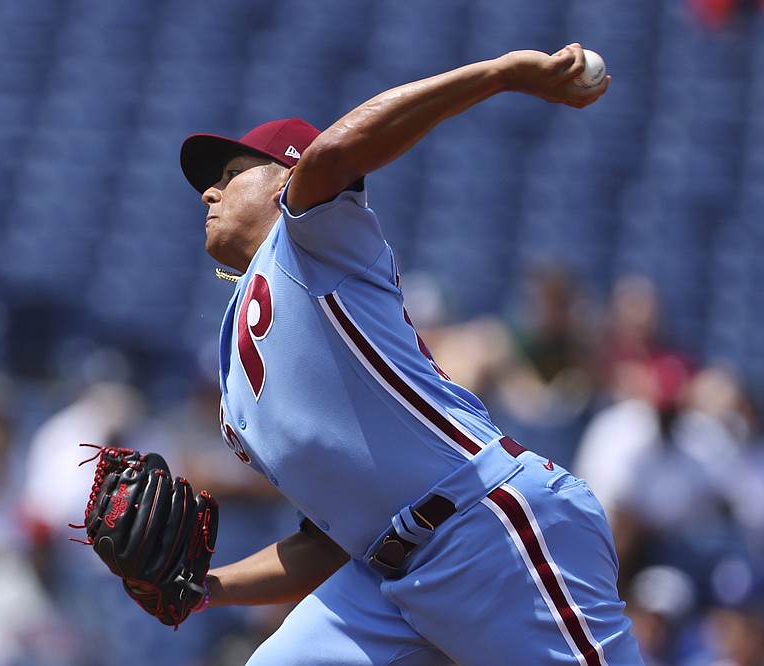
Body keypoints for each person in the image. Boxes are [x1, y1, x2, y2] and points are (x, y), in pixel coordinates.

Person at [177, 44, 643, 664]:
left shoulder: (310, 241)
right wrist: (204, 589)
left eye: (233, 173)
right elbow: (327, 542)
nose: (210, 191)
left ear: (287, 176)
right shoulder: (233, 374)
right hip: (385, 578)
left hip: (485, 527)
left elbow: (337, 152)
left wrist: (500, 74)